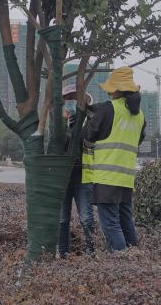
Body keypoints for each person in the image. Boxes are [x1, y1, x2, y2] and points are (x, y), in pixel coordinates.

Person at [83, 66, 146, 252]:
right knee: (126, 223)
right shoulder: (140, 116)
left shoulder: (108, 109)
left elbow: (87, 134)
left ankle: (122, 264)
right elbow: (139, 139)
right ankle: (134, 258)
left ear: (117, 90)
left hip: (107, 178)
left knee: (111, 225)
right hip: (126, 178)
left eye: (111, 88)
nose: (109, 92)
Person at [58, 84, 95, 257]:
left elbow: (93, 145)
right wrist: (66, 129)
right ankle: (63, 252)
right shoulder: (57, 124)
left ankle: (90, 251)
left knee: (86, 218)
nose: (72, 102)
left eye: (75, 99)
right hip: (63, 176)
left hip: (83, 175)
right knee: (62, 219)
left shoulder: (91, 122)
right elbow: (56, 147)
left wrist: (80, 128)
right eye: (69, 99)